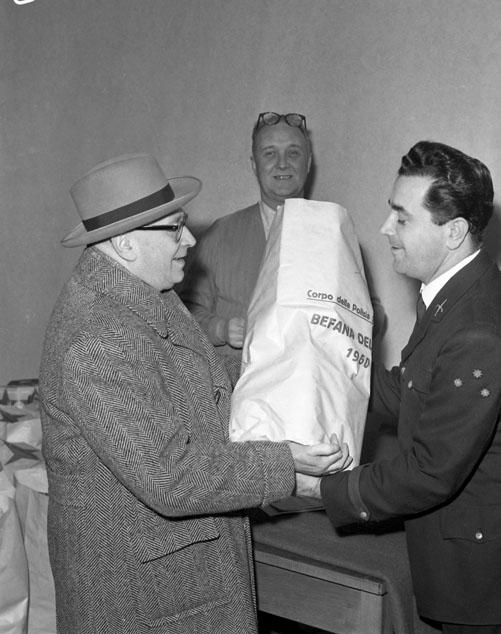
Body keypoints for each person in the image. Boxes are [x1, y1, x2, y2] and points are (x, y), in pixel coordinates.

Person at [39, 153, 351, 634]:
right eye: (175, 229)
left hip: (175, 575)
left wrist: (285, 365)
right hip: (142, 599)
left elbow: (192, 382)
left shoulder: (146, 293)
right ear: (124, 243)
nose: (189, 240)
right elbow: (171, 477)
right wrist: (285, 464)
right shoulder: (97, 337)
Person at [300, 141, 501, 633]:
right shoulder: (453, 294)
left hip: (488, 576)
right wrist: (317, 372)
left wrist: (320, 488)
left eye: (402, 217)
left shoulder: (479, 329)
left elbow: (429, 471)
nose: (385, 228)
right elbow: (408, 390)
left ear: (453, 231)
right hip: (466, 552)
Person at [179, 112, 313, 357]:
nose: (283, 163)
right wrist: (221, 329)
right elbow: (183, 315)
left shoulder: (333, 231)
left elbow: (366, 313)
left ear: (309, 162)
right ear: (254, 165)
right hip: (235, 377)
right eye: (270, 153)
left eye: (293, 153)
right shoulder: (220, 234)